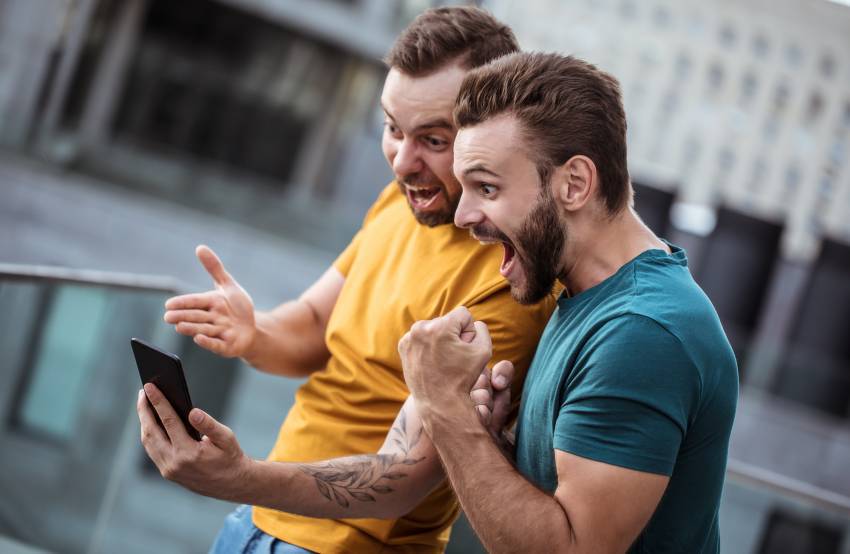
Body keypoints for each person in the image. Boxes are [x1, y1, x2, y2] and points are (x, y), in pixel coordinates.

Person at [136, 8, 555, 553]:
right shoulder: (399, 204)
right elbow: (313, 326)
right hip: (257, 524)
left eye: (433, 139)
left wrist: (237, 475)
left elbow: (402, 477)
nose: (402, 162)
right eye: (392, 129)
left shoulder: (511, 279)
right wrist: (253, 332)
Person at [399, 51, 739, 553]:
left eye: (487, 187)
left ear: (574, 184)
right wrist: (490, 443)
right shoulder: (589, 299)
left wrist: (442, 405)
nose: (464, 215)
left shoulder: (643, 332)